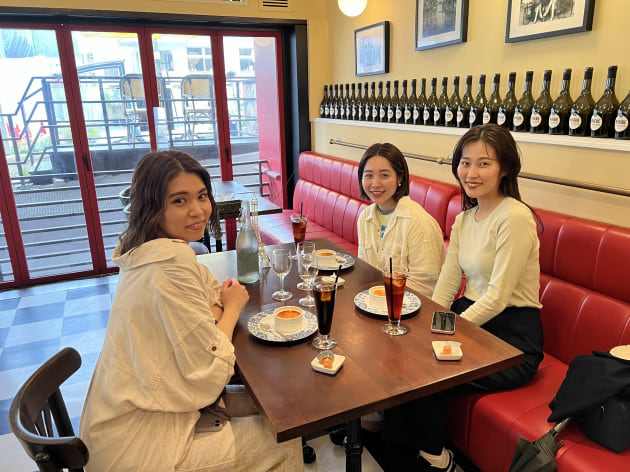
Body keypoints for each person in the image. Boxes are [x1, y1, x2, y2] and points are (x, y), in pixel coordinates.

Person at [79, 150, 303, 471]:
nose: (198, 210)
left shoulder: (151, 251)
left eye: (201, 196)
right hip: (138, 448)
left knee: (277, 409)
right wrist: (230, 310)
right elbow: (210, 375)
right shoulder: (166, 266)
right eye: (179, 201)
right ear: (151, 207)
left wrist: (220, 312)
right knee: (284, 436)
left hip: (126, 419)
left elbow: (213, 295)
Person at [381, 124, 544, 471]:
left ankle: (438, 460)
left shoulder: (515, 217)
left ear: (505, 168)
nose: (471, 173)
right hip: (471, 319)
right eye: (465, 163)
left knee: (429, 369)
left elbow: (498, 297)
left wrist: (446, 330)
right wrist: (430, 321)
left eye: (484, 164)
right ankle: (395, 447)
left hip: (511, 338)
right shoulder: (465, 218)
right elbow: (449, 279)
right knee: (403, 350)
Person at [357, 142, 445, 298]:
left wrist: (382, 300)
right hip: (375, 301)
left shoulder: (418, 223)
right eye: (368, 175)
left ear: (400, 178)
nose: (375, 183)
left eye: (384, 175)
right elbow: (365, 270)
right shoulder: (365, 218)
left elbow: (425, 287)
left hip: (411, 306)